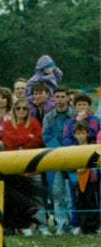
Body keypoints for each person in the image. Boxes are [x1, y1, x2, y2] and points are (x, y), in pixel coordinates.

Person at [2, 98, 48, 235]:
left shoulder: (34, 122)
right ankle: (24, 227)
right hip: (14, 167)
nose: (21, 111)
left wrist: (20, 140)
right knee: (18, 198)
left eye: (24, 108)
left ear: (28, 111)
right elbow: (9, 142)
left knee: (38, 197)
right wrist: (28, 137)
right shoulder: (7, 124)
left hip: (33, 166)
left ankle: (43, 226)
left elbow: (38, 140)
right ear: (14, 110)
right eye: (18, 108)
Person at [42, 85, 76, 234]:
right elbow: (47, 137)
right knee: (57, 194)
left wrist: (68, 149)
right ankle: (60, 225)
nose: (60, 100)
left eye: (63, 97)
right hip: (55, 159)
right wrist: (60, 150)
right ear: (53, 98)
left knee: (71, 194)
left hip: (73, 158)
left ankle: (73, 223)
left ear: (68, 98)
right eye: (57, 97)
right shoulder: (48, 117)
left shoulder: (75, 115)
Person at [67, 121, 100, 234]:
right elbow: (68, 164)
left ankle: (93, 226)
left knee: (92, 201)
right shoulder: (72, 148)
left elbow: (96, 162)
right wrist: (77, 168)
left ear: (87, 133)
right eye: (78, 133)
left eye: (82, 133)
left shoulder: (93, 147)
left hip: (90, 178)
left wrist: (87, 167)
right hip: (77, 179)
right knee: (79, 202)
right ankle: (82, 225)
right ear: (74, 135)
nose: (80, 136)